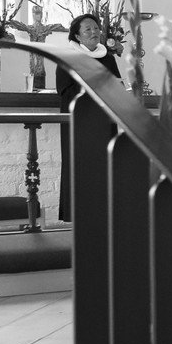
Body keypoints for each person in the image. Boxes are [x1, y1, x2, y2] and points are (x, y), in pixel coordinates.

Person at [55, 13, 122, 222]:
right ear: (77, 36)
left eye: (96, 28)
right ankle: (78, 215)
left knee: (105, 167)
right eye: (88, 30)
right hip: (80, 123)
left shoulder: (108, 58)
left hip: (104, 122)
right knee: (79, 168)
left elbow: (116, 86)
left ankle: (105, 214)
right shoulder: (67, 58)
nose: (94, 32)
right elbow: (64, 90)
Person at [8, 2, 67, 89]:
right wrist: (9, 22)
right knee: (34, 73)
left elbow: (58, 27)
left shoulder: (45, 28)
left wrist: (69, 29)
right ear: (32, 14)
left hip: (41, 60)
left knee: (40, 71)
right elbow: (19, 26)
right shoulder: (30, 28)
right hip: (33, 59)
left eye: (39, 13)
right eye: (35, 13)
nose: (37, 15)